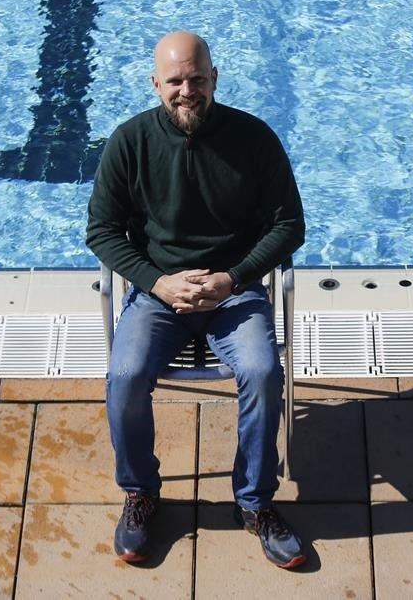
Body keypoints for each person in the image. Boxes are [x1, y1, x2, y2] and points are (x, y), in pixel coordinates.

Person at [86, 31, 307, 568]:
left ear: (214, 78)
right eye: (176, 81)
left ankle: (254, 503)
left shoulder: (253, 139)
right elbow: (102, 231)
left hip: (234, 294)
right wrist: (158, 282)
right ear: (155, 84)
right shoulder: (130, 142)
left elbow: (289, 226)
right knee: (126, 373)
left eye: (197, 79)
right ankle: (140, 493)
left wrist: (233, 278)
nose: (188, 91)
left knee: (260, 370)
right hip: (158, 295)